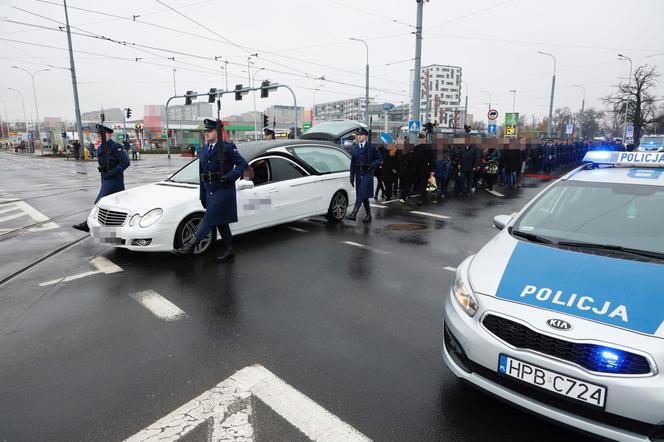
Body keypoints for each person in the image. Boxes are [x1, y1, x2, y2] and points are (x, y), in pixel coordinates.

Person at [176, 119, 248, 262]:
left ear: (217, 132)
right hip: (209, 190)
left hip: (223, 189)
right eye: (205, 131)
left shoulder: (227, 148)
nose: (206, 133)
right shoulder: (203, 149)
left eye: (209, 131)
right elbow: (201, 173)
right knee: (221, 222)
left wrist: (230, 176)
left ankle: (190, 246)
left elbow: (243, 165)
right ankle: (229, 249)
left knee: (208, 218)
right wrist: (202, 194)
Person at [72, 125, 130, 232]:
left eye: (101, 134)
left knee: (99, 201)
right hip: (105, 178)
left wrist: (113, 172)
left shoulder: (115, 146)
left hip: (114, 180)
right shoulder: (101, 147)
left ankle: (88, 225)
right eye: (98, 134)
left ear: (108, 134)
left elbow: (125, 162)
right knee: (115, 205)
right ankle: (115, 229)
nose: (99, 136)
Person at [346, 127, 382, 223]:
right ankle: (369, 215)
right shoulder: (355, 148)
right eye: (358, 135)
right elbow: (352, 164)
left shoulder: (371, 147)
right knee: (363, 195)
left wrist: (373, 165)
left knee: (361, 192)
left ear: (366, 136)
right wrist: (351, 177)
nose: (359, 137)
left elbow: (379, 159)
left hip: (367, 173)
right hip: (358, 174)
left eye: (361, 135)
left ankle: (354, 213)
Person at [409, 133, 434, 205]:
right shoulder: (416, 148)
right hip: (418, 170)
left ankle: (422, 198)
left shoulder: (428, 148)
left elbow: (431, 160)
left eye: (422, 139)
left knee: (423, 184)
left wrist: (432, 170)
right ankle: (422, 197)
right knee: (420, 184)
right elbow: (413, 160)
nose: (421, 140)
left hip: (425, 169)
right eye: (420, 139)